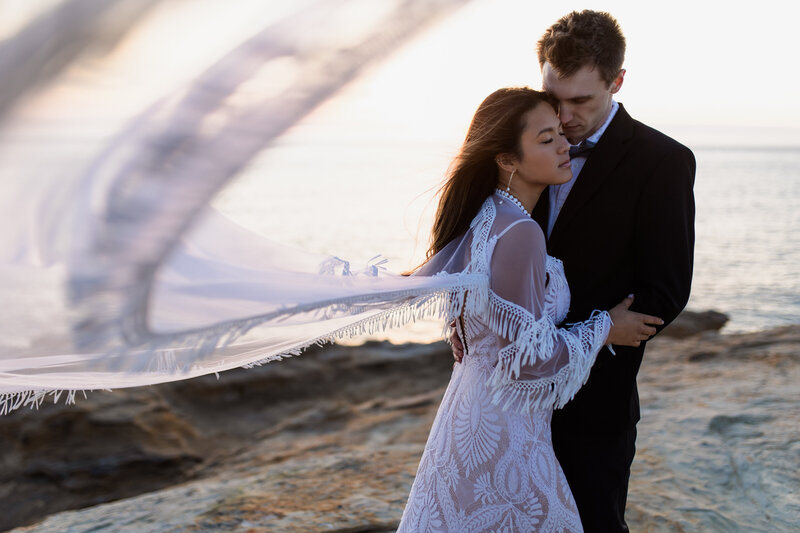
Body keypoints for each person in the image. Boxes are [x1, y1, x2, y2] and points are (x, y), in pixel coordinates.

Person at [451, 10, 696, 532]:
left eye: (580, 101)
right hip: (504, 404)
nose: (563, 118)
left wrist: (575, 346)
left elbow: (664, 291)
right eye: (553, 97)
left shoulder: (664, 161)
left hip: (594, 401)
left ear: (617, 81)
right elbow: (477, 253)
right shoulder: (523, 144)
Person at [397, 87, 663, 532]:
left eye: (561, 133)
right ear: (507, 159)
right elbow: (529, 360)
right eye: (547, 139)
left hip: (470, 410)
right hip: (504, 429)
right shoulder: (520, 232)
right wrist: (605, 329)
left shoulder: (484, 216)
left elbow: (479, 325)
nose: (566, 146)